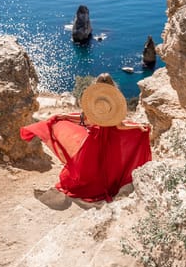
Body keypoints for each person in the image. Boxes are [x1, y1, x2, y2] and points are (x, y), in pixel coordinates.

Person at [20, 73, 151, 204]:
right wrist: (138, 127)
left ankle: (92, 186)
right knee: (109, 166)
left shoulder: (93, 101)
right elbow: (120, 126)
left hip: (94, 138)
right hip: (112, 140)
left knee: (90, 166)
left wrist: (65, 117)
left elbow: (84, 119)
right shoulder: (113, 103)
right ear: (112, 86)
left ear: (95, 85)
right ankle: (108, 186)